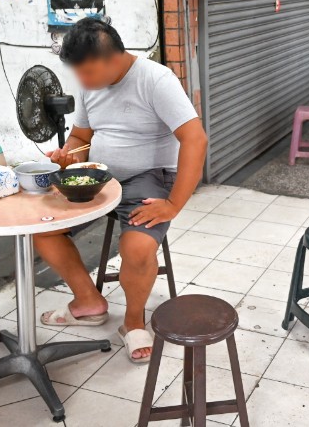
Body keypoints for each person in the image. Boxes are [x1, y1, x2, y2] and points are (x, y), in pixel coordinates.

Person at [34, 19, 208, 363]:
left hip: (149, 177)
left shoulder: (156, 80)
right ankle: (88, 301)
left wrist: (173, 204)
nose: (82, 82)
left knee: (138, 246)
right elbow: (82, 137)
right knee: (41, 224)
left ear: (113, 59)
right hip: (98, 177)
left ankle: (132, 322)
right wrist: (67, 154)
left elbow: (195, 139)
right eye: (78, 73)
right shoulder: (89, 84)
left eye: (88, 72)